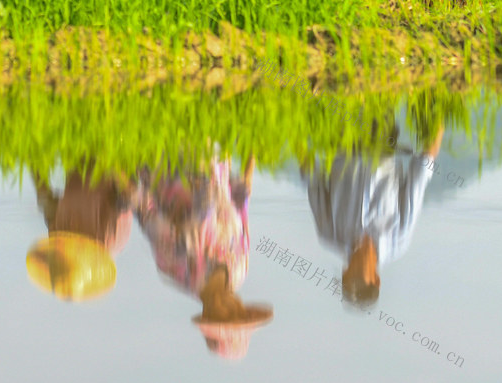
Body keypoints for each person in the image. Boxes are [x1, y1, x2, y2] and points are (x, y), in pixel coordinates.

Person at [136, 145, 273, 359]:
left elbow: (146, 210)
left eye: (227, 315)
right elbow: (240, 205)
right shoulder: (239, 271)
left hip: (167, 161)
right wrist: (252, 150)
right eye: (239, 312)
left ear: (207, 314)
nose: (234, 306)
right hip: (214, 157)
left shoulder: (177, 268)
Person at [301, 119, 445, 307]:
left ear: (344, 274)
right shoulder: (398, 237)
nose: (355, 275)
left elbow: (313, 181)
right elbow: (419, 176)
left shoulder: (329, 233)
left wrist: (297, 134)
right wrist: (439, 119)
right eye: (360, 281)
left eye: (350, 279)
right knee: (376, 94)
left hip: (341, 139)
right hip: (383, 139)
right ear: (376, 279)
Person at [26, 164, 135, 301]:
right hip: (111, 162)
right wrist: (109, 158)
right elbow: (129, 193)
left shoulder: (57, 238)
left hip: (78, 160)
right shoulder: (108, 240)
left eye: (58, 261)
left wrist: (34, 160)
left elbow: (44, 198)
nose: (60, 251)